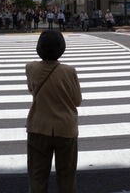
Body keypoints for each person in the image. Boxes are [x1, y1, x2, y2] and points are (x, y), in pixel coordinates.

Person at [26, 30, 82, 193]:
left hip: (38, 127)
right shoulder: (69, 71)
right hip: (65, 128)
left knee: (37, 176)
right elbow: (77, 101)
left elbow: (32, 90)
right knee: (67, 176)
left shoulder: (30, 68)